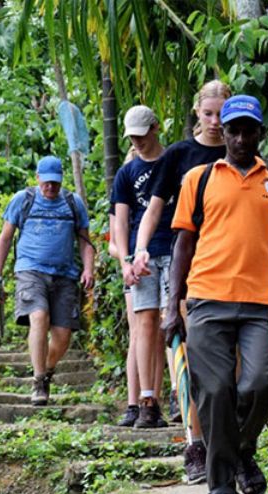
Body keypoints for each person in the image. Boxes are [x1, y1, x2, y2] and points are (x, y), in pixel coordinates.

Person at [161, 95, 268, 494]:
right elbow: (183, 245)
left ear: (260, 133)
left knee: (260, 383)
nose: (241, 137)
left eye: (250, 129)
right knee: (213, 392)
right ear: (223, 134)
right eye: (234, 130)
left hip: (263, 304)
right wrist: (170, 306)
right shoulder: (199, 178)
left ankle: (243, 451)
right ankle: (220, 489)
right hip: (207, 300)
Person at [132, 81, 231, 471]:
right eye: (208, 114)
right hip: (188, 260)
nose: (215, 122)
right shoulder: (179, 155)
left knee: (226, 359)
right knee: (185, 348)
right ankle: (196, 441)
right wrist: (140, 249)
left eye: (221, 114)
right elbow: (155, 210)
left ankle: (226, 436)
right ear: (197, 113)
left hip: (232, 262)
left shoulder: (240, 145)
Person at [0, 156, 95, 406]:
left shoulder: (72, 203)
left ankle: (46, 370)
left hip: (65, 274)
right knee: (39, 316)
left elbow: (85, 240)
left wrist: (88, 269)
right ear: (37, 178)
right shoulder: (23, 200)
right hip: (30, 270)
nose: (50, 187)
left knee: (63, 335)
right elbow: (4, 239)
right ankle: (38, 381)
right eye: (46, 182)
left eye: (55, 183)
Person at [111, 105, 168, 428]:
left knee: (171, 325)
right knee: (144, 324)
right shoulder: (126, 172)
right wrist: (125, 260)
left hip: (171, 248)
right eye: (132, 137)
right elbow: (119, 221)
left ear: (155, 128)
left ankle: (175, 396)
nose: (138, 142)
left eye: (142, 135)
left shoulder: (172, 161)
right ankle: (146, 400)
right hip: (140, 256)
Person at [108, 149, 141, 423]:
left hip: (157, 264)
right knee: (138, 335)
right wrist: (128, 259)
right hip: (132, 270)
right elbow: (112, 245)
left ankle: (178, 397)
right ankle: (134, 403)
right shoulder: (119, 197)